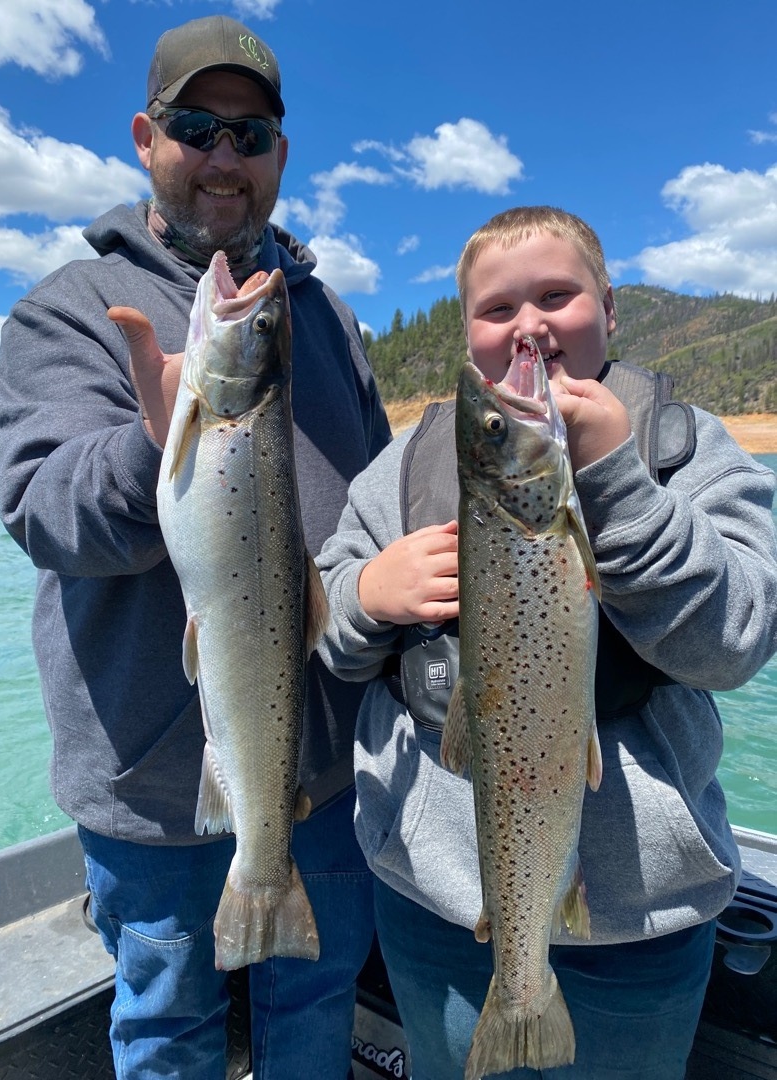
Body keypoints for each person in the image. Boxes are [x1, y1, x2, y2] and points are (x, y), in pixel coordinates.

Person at [0, 14, 391, 1080]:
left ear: (280, 157)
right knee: (166, 1029)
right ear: (144, 136)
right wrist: (155, 437)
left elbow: (375, 505)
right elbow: (44, 511)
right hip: (150, 787)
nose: (224, 157)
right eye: (196, 127)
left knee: (315, 1007)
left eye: (250, 136)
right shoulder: (69, 312)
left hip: (321, 774)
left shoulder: (331, 318)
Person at [316, 206, 777, 1079]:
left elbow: (739, 641)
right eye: (497, 310)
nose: (528, 325)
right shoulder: (399, 472)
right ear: (467, 334)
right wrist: (369, 596)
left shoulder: (688, 449)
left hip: (643, 921)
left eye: (557, 296)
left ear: (608, 307)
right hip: (432, 900)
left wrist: (619, 485)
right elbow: (330, 639)